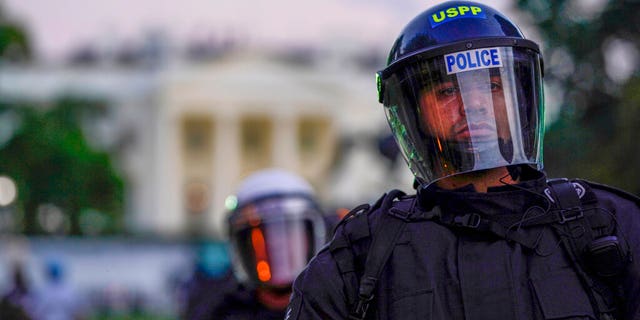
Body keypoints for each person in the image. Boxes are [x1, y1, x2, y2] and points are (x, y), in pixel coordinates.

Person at [286, 1, 640, 319]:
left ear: (522, 98)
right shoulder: (361, 255)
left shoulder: (605, 224)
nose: (474, 104)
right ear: (413, 114)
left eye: (493, 85)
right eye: (446, 91)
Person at [211, 168, 328, 319]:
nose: (278, 245)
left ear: (312, 236)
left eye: (289, 233)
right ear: (242, 247)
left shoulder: (338, 306)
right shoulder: (223, 312)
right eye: (261, 236)